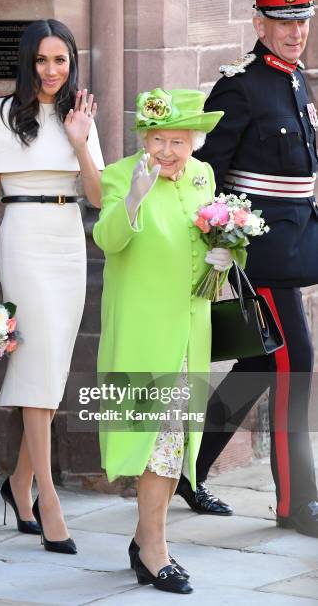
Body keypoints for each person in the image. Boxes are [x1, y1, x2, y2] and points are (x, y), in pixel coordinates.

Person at [176, 0, 318, 539]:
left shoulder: (296, 80)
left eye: (302, 22)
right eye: (284, 23)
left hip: (294, 243)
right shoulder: (239, 85)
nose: (295, 33)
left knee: (262, 365)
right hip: (258, 255)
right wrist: (218, 237)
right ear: (259, 24)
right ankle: (297, 503)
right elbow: (206, 173)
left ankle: (191, 469)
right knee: (296, 363)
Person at [0, 19, 104, 555]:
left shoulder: (80, 115)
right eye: (42, 60)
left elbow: (96, 195)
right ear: (27, 62)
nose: (51, 71)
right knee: (39, 366)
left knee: (50, 370)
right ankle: (48, 499)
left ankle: (18, 485)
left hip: (70, 237)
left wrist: (80, 140)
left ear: (71, 63)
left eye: (61, 60)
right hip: (23, 238)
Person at [93, 88, 230, 594]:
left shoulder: (202, 174)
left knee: (177, 444)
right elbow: (108, 239)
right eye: (158, 140)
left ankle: (147, 542)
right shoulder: (120, 173)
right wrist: (134, 195)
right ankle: (154, 552)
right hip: (143, 331)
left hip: (192, 329)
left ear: (194, 141)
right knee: (157, 442)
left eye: (178, 140)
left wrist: (225, 255)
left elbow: (215, 235)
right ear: (143, 139)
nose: (168, 151)